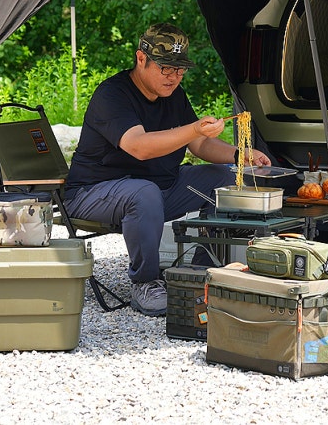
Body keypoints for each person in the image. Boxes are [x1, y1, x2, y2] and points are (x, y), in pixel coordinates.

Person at [64, 23, 270, 316]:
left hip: (160, 187)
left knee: (224, 178)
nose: (174, 77)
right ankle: (145, 283)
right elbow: (139, 146)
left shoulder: (173, 94)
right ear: (141, 59)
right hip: (95, 192)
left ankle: (199, 272)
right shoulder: (112, 94)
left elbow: (199, 145)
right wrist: (193, 128)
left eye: (180, 70)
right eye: (165, 68)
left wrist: (240, 155)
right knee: (144, 194)